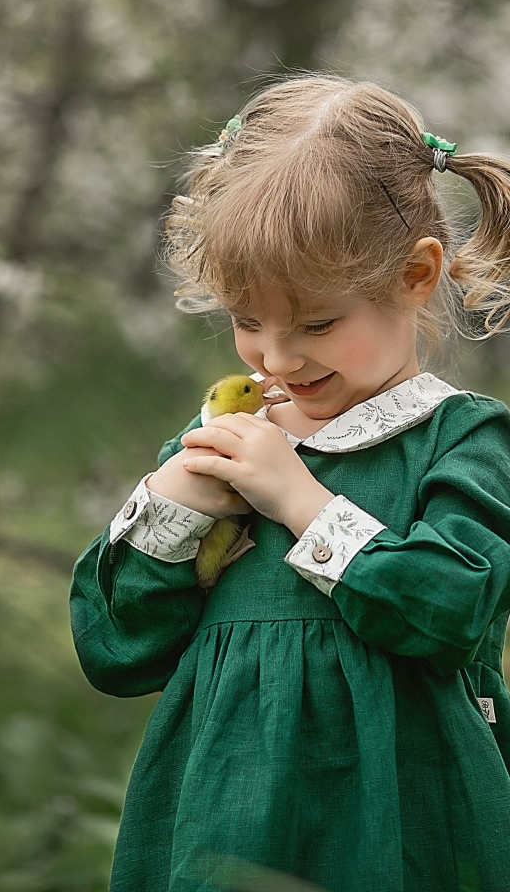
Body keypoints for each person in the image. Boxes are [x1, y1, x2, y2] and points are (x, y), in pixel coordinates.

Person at [69, 75, 510, 892]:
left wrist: (302, 504)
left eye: (315, 324)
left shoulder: (464, 440)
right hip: (219, 823)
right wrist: (171, 509)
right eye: (246, 321)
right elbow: (116, 651)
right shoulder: (232, 442)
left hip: (401, 829)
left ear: (416, 278)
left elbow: (452, 610)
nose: (275, 359)